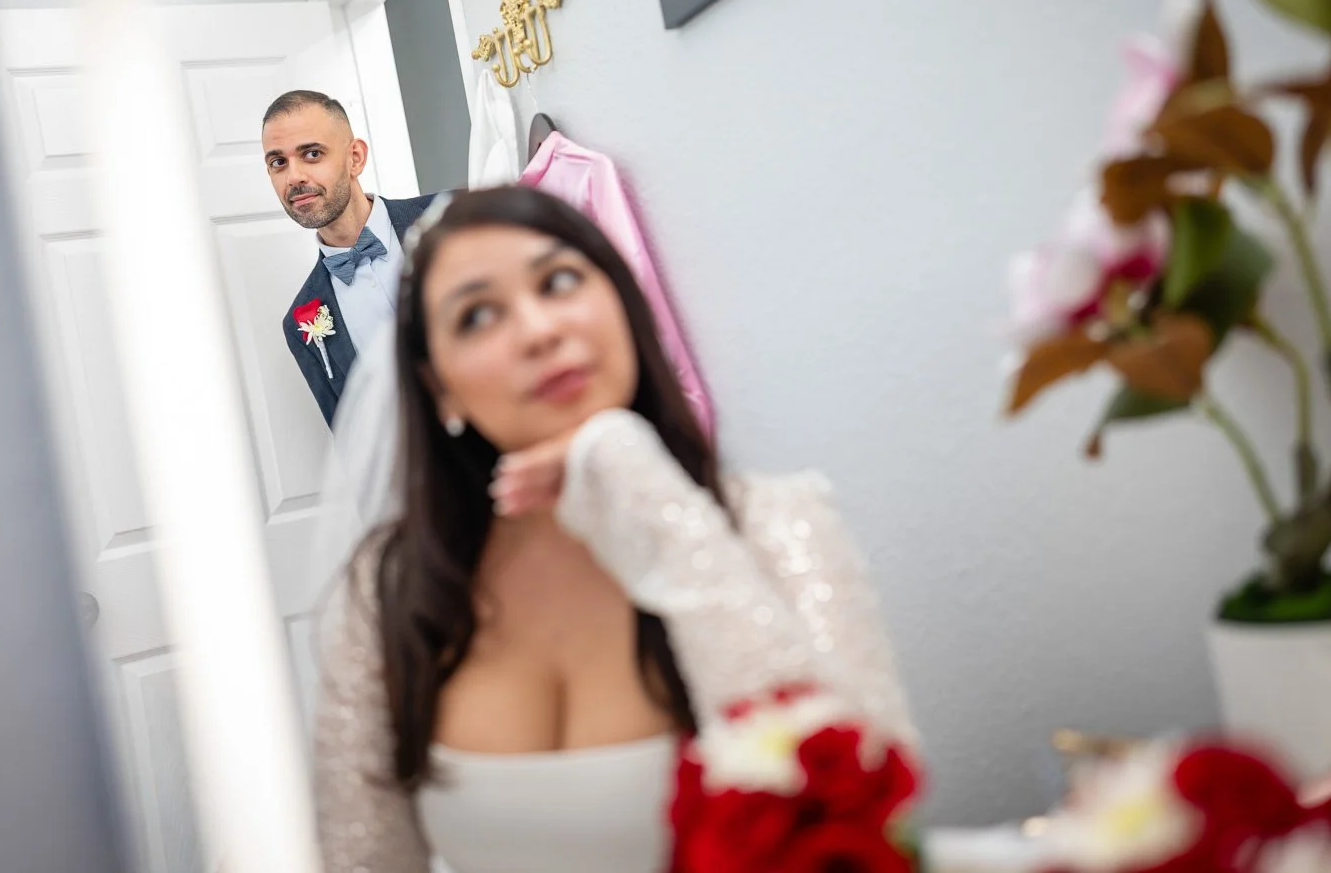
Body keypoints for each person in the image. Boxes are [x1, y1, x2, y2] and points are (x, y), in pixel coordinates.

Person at [311, 186, 917, 873]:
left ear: (623, 304)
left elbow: (861, 818)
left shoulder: (780, 524)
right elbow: (362, 855)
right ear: (437, 384)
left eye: (560, 280)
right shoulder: (388, 584)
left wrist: (644, 491)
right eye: (478, 315)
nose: (539, 329)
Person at [264, 89, 438, 423]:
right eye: (278, 163)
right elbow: (352, 444)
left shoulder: (451, 215)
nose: (294, 177)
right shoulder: (299, 323)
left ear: (355, 157)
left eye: (312, 154)